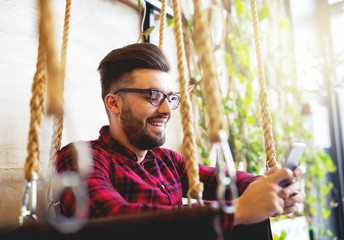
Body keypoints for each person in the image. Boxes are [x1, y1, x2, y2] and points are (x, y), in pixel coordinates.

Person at [56, 42, 305, 238]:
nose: (167, 110)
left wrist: (271, 187)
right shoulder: (81, 157)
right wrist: (237, 212)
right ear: (114, 103)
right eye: (153, 96)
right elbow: (112, 220)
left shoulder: (167, 161)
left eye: (169, 97)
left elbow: (226, 181)